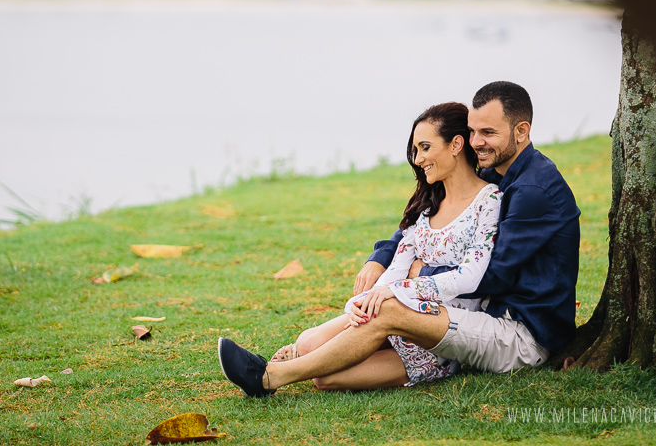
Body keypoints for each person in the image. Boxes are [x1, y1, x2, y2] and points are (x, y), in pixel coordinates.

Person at [217, 81, 581, 397]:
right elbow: (422, 227)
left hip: (520, 330)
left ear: (521, 131)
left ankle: (269, 377)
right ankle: (293, 360)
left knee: (384, 313)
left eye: (489, 133)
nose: (477, 142)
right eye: (473, 131)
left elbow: (492, 275)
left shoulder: (529, 189)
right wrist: (383, 258)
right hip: (479, 313)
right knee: (333, 356)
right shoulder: (497, 173)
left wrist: (412, 281)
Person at [267, 102, 502, 390]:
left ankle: (275, 375)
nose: (418, 159)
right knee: (308, 342)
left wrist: (396, 290)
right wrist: (358, 304)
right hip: (393, 307)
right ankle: (311, 358)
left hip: (435, 333)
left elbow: (470, 276)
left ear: (455, 144)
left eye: (426, 147)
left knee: (325, 378)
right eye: (416, 150)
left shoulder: (488, 200)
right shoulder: (428, 205)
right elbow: (398, 265)